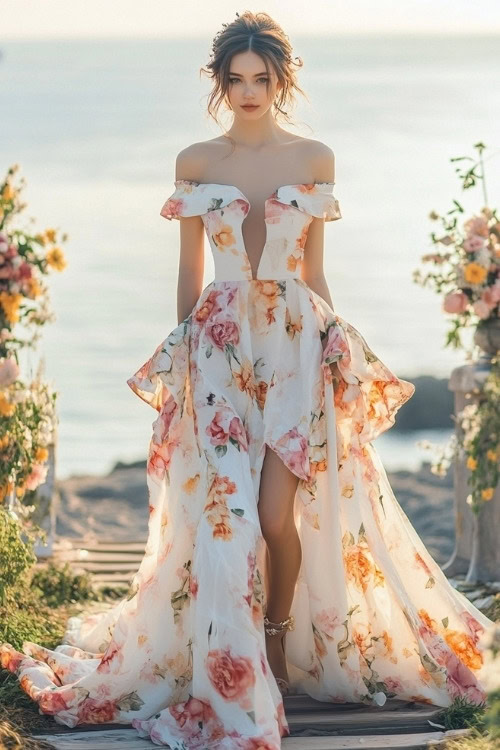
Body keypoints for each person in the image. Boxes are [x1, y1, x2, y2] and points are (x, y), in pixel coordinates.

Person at [0, 11, 495, 750]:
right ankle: (244, 665)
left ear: (282, 79)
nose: (249, 92)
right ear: (219, 82)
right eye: (236, 80)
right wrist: (179, 364)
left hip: (298, 349)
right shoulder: (196, 162)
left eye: (261, 79)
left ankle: (278, 632)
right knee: (228, 520)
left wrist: (338, 352)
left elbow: (315, 271)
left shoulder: (316, 157)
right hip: (218, 352)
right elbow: (189, 278)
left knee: (274, 517)